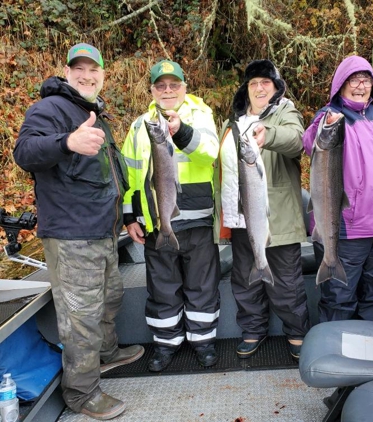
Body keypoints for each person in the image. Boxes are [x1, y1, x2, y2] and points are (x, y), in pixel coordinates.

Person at [13, 43, 144, 420]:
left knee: (111, 297)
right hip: (71, 236)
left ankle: (106, 354)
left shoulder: (94, 114)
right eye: (80, 69)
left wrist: (128, 217)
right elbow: (24, 152)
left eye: (94, 70)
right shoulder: (49, 109)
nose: (87, 76)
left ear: (103, 74)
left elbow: (113, 178)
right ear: (67, 72)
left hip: (103, 232)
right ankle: (81, 394)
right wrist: (68, 141)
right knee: (81, 319)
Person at [121, 60, 221, 372]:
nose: (167, 90)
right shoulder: (140, 125)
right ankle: (166, 344)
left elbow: (211, 152)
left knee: (201, 286)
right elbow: (131, 175)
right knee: (162, 287)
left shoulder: (201, 114)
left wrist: (180, 131)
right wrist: (130, 215)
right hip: (157, 224)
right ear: (151, 90)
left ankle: (203, 341)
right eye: (161, 85)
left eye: (173, 85)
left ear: (184, 88)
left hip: (197, 219)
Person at [214, 59, 310, 361]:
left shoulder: (286, 112)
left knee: (286, 280)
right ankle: (252, 328)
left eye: (265, 82)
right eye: (253, 83)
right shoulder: (232, 122)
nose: (259, 87)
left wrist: (267, 134)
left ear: (276, 87)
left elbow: (297, 142)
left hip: (276, 216)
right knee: (244, 278)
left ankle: (297, 331)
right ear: (246, 88)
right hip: (240, 216)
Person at [302, 55, 373, 323]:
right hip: (349, 228)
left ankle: (371, 350)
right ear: (341, 84)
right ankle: (336, 356)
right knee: (339, 298)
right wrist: (322, 125)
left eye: (366, 80)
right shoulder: (331, 116)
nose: (360, 85)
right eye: (353, 79)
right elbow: (309, 143)